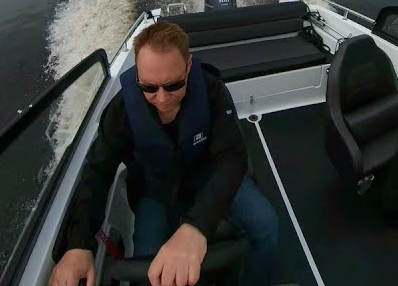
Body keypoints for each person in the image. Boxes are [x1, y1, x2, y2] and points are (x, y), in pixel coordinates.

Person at [49, 21, 279, 286]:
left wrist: (196, 226)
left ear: (188, 66)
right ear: (137, 74)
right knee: (148, 264)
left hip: (208, 173)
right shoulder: (120, 113)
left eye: (173, 86)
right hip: (154, 189)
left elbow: (232, 156)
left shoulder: (212, 92)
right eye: (149, 87)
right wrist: (79, 244)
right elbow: (96, 173)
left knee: (266, 225)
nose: (161, 98)